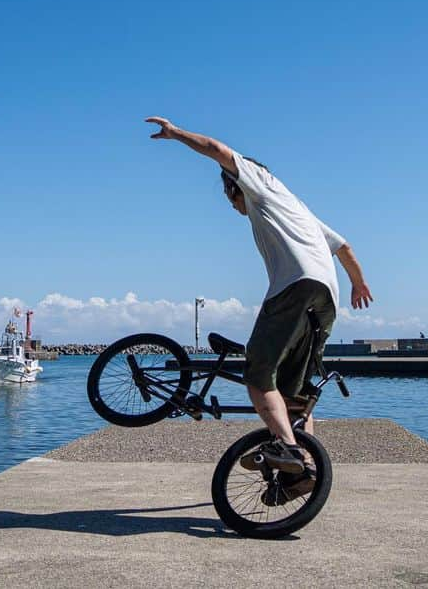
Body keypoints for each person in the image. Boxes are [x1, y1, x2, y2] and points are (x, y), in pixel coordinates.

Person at [145, 116, 373, 499]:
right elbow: (345, 248)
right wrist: (358, 283)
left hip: (295, 288)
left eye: (228, 197)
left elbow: (218, 151)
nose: (232, 207)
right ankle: (304, 475)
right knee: (295, 395)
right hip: (327, 300)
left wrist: (176, 134)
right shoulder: (298, 208)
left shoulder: (261, 183)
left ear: (236, 187)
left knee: (257, 374)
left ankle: (287, 448)